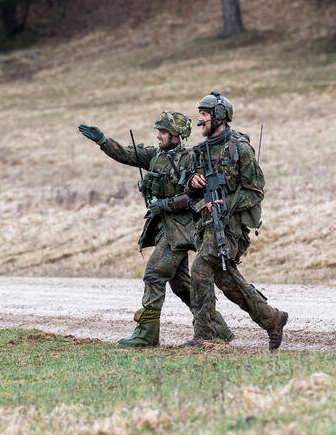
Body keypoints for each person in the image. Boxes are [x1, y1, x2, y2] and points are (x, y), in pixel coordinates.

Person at [77, 113, 234, 347]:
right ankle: (218, 329)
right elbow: (127, 154)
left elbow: (196, 195)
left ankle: (146, 335)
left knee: (154, 274)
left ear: (176, 135)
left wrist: (166, 204)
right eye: (158, 131)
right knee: (182, 285)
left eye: (162, 131)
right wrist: (103, 141)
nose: (158, 135)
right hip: (163, 228)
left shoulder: (191, 159)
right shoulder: (156, 155)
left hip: (180, 231)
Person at [182, 92, 288, 350]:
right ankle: (272, 318)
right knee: (227, 281)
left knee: (200, 269)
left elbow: (255, 191)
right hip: (206, 225)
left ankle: (205, 336)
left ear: (219, 115)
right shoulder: (200, 151)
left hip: (232, 228)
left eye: (204, 114)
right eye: (200, 114)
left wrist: (226, 205)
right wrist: (193, 185)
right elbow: (189, 191)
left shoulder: (239, 148)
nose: (200, 119)